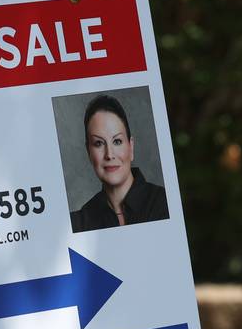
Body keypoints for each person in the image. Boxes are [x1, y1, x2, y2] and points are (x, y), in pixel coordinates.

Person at [69, 94, 169, 233]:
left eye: (117, 141)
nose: (109, 154)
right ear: (89, 152)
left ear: (131, 146)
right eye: (98, 143)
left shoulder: (165, 202)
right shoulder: (79, 223)